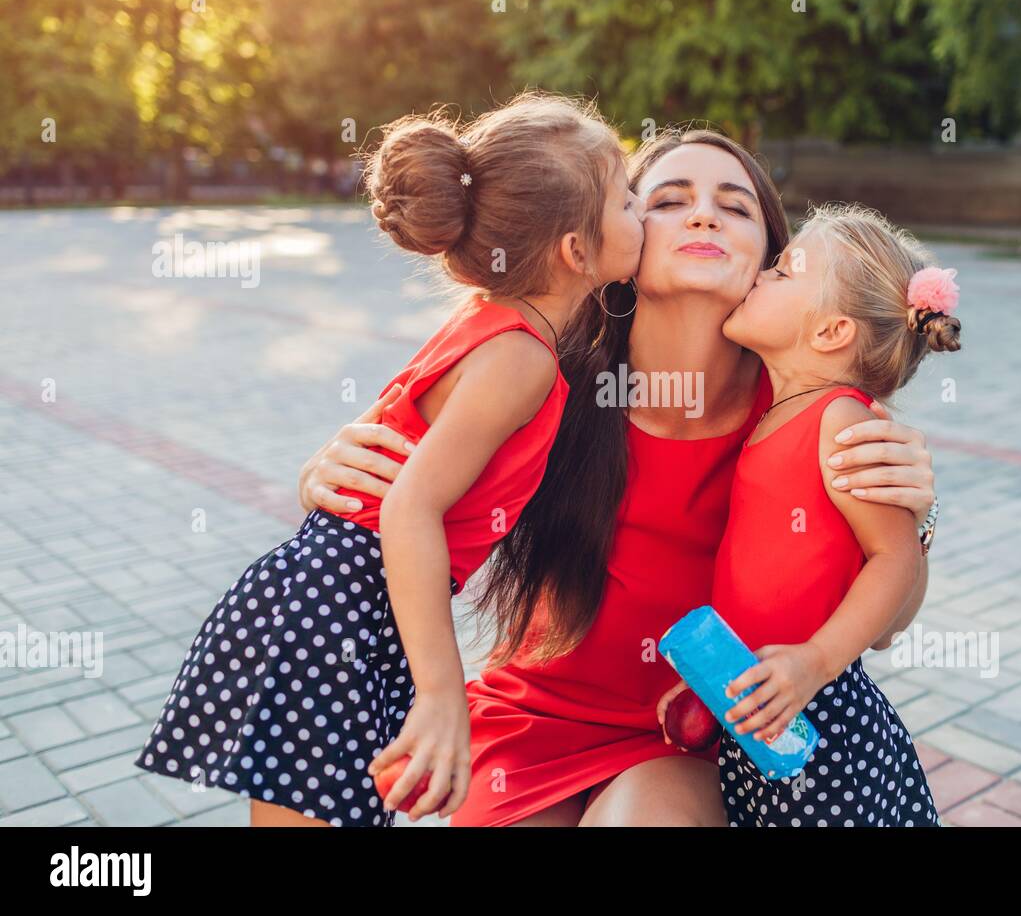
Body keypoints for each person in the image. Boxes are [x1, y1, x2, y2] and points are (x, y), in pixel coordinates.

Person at [299, 129, 939, 826]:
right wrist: (325, 473)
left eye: (735, 206)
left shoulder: (810, 416)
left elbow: (882, 626)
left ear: (769, 261)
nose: (703, 216)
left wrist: (917, 519)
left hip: (693, 734)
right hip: (531, 718)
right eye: (667, 199)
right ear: (618, 240)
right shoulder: (537, 365)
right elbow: (393, 472)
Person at [135, 91, 644, 827]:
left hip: (339, 598)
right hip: (343, 608)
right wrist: (442, 692)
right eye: (628, 199)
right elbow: (410, 505)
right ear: (575, 251)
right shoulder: (520, 357)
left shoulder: (491, 321)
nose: (643, 211)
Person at [673, 202, 958, 826]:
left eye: (781, 272)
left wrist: (816, 661)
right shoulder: (776, 415)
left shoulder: (840, 420)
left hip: (826, 720)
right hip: (766, 705)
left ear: (831, 332)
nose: (760, 276)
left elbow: (895, 555)